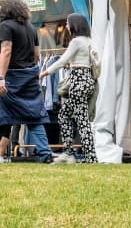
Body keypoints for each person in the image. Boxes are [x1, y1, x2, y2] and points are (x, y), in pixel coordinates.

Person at [0, 0, 53, 164]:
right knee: (34, 117)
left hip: (11, 78)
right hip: (29, 79)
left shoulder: (5, 26)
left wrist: (1, 77)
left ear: (5, 11)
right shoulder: (31, 28)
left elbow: (6, 51)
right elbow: (36, 55)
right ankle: (45, 154)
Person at [40, 13, 99, 163]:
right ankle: (69, 152)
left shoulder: (76, 42)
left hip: (77, 82)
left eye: (67, 23)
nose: (66, 26)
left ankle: (89, 157)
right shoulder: (89, 41)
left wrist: (44, 73)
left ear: (74, 25)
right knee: (65, 115)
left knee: (82, 121)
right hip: (87, 81)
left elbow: (61, 61)